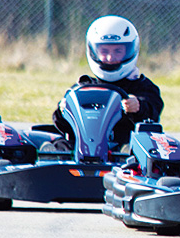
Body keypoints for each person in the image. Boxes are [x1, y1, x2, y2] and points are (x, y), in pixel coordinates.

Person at [48, 15, 163, 151]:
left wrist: (138, 107)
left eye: (118, 51)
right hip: (85, 148)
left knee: (136, 149)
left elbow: (153, 114)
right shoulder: (82, 87)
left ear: (131, 50)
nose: (110, 57)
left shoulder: (142, 87)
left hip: (123, 149)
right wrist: (63, 110)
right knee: (60, 145)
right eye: (104, 51)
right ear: (93, 51)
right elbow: (64, 126)